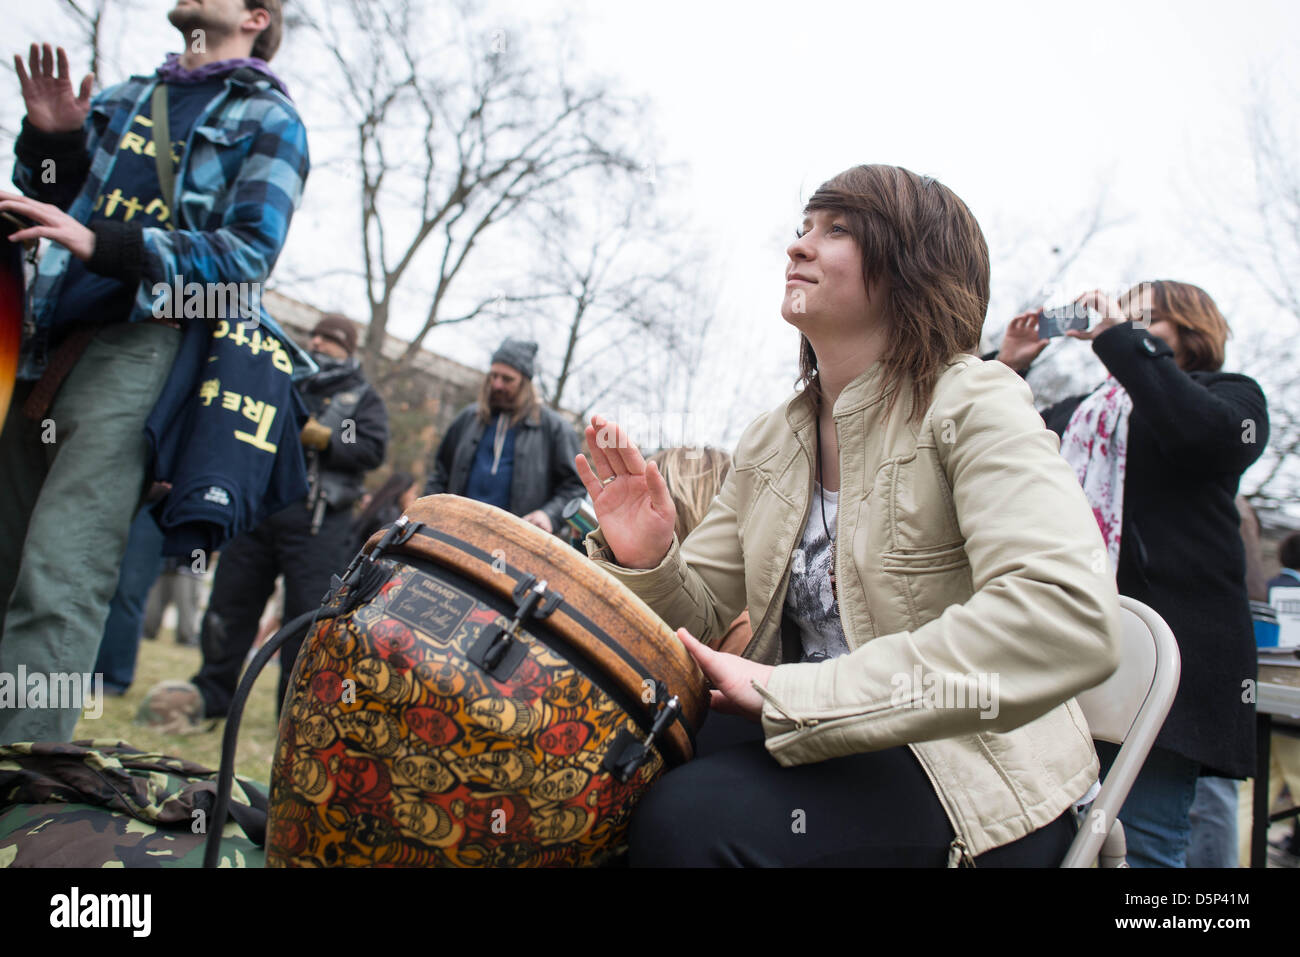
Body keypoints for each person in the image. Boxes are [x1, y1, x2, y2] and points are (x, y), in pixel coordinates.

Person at [578, 164, 1123, 867]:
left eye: (837, 230)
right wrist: (648, 556)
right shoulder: (775, 436)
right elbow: (704, 612)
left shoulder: (975, 400)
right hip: (826, 735)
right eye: (802, 228)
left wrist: (793, 690)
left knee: (687, 823)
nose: (798, 247)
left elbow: (1065, 615)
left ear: (913, 268)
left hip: (971, 769)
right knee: (615, 761)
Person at [0, 0, 309, 744]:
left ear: (254, 16)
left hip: (139, 354)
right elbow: (48, 208)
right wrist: (52, 144)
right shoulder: (122, 98)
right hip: (39, 343)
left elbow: (242, 267)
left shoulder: (271, 120)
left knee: (59, 577)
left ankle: (19, 785)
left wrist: (108, 246)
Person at [995, 281, 1269, 867]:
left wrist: (1120, 338)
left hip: (1168, 661)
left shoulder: (1229, 396)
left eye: (1143, 313)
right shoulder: (1083, 414)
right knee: (1047, 838)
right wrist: (1007, 368)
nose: (1120, 319)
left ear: (1189, 326)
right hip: (1064, 649)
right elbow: (997, 448)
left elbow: (1202, 435)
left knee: (1141, 842)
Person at [142, 315, 388, 726]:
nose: (316, 342)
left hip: (318, 519)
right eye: (313, 334)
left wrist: (326, 438)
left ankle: (292, 714)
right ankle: (212, 694)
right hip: (261, 507)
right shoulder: (286, 372)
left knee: (304, 617)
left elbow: (370, 448)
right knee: (229, 603)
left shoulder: (360, 396)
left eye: (328, 339)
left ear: (348, 347)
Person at [424, 338, 584, 535]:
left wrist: (549, 515)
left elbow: (574, 488)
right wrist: (430, 515)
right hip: (453, 533)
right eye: (493, 376)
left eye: (507, 379)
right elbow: (440, 474)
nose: (497, 385)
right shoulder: (468, 419)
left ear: (525, 383)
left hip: (515, 545)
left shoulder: (555, 429)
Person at [349, 470, 418, 555]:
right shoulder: (391, 517)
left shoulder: (377, 507)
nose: (415, 497)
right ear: (403, 492)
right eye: (414, 492)